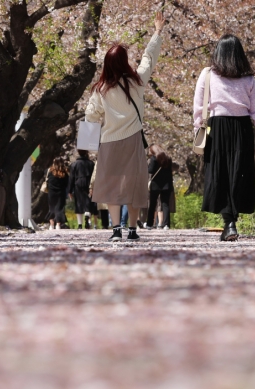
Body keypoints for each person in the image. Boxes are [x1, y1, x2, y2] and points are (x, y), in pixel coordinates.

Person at [86, 11, 165, 242]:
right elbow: (149, 59)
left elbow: (91, 115)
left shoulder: (100, 88)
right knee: (132, 185)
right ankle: (132, 229)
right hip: (132, 140)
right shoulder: (137, 82)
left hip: (109, 141)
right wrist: (157, 32)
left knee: (111, 186)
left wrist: (91, 139)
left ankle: (115, 230)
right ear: (125, 61)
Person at [193, 34, 255, 241]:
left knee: (221, 175)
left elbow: (199, 108)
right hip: (242, 128)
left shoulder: (208, 74)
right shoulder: (248, 79)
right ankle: (231, 222)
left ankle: (229, 222)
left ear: (219, 53)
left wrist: (197, 132)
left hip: (218, 128)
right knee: (238, 174)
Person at [146, 145, 174, 229]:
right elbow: (170, 171)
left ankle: (149, 224)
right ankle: (166, 224)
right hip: (167, 184)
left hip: (156, 184)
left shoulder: (154, 159)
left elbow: (150, 170)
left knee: (152, 204)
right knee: (165, 204)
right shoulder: (168, 158)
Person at [68, 150, 96, 229]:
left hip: (78, 183)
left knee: (79, 202)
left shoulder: (74, 164)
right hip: (88, 182)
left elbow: (71, 178)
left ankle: (80, 224)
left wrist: (70, 190)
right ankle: (87, 215)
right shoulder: (91, 163)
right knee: (88, 201)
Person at [46, 157, 69, 230]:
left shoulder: (49, 171)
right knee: (59, 208)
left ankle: (51, 225)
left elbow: (47, 180)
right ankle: (58, 225)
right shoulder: (64, 172)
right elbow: (67, 183)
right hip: (61, 193)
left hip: (51, 193)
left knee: (51, 208)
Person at [89, 162, 110, 229]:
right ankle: (119, 223)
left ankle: (105, 224)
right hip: (114, 184)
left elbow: (94, 176)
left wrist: (91, 186)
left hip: (102, 184)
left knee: (104, 206)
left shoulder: (99, 161)